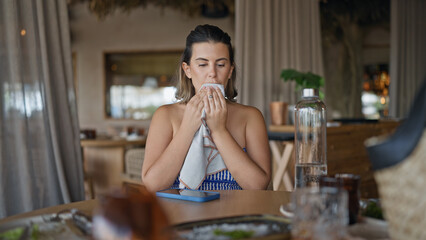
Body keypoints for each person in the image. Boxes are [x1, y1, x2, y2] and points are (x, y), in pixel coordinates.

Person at [142, 24, 271, 192]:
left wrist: (219, 131)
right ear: (187, 70)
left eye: (221, 65)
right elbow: (153, 185)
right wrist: (188, 128)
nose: (212, 73)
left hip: (235, 215)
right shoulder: (165, 115)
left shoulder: (250, 117)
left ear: (230, 70)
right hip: (178, 216)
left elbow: (258, 185)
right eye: (202, 64)